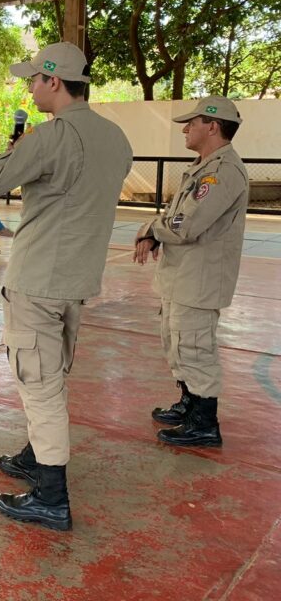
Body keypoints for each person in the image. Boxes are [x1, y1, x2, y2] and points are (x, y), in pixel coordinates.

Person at [0, 42, 132, 531]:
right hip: (76, 278)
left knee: (39, 383)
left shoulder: (52, 136)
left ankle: (51, 495)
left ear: (54, 81)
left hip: (38, 280)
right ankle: (37, 454)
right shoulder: (115, 138)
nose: (29, 87)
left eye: (34, 79)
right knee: (50, 373)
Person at [133, 96, 248, 448]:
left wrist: (152, 229)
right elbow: (177, 216)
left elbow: (185, 224)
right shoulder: (203, 167)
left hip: (200, 278)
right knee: (178, 343)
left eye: (192, 123)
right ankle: (190, 403)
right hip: (183, 276)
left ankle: (204, 422)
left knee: (195, 348)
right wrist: (158, 229)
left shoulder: (222, 172)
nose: (185, 128)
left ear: (212, 126)